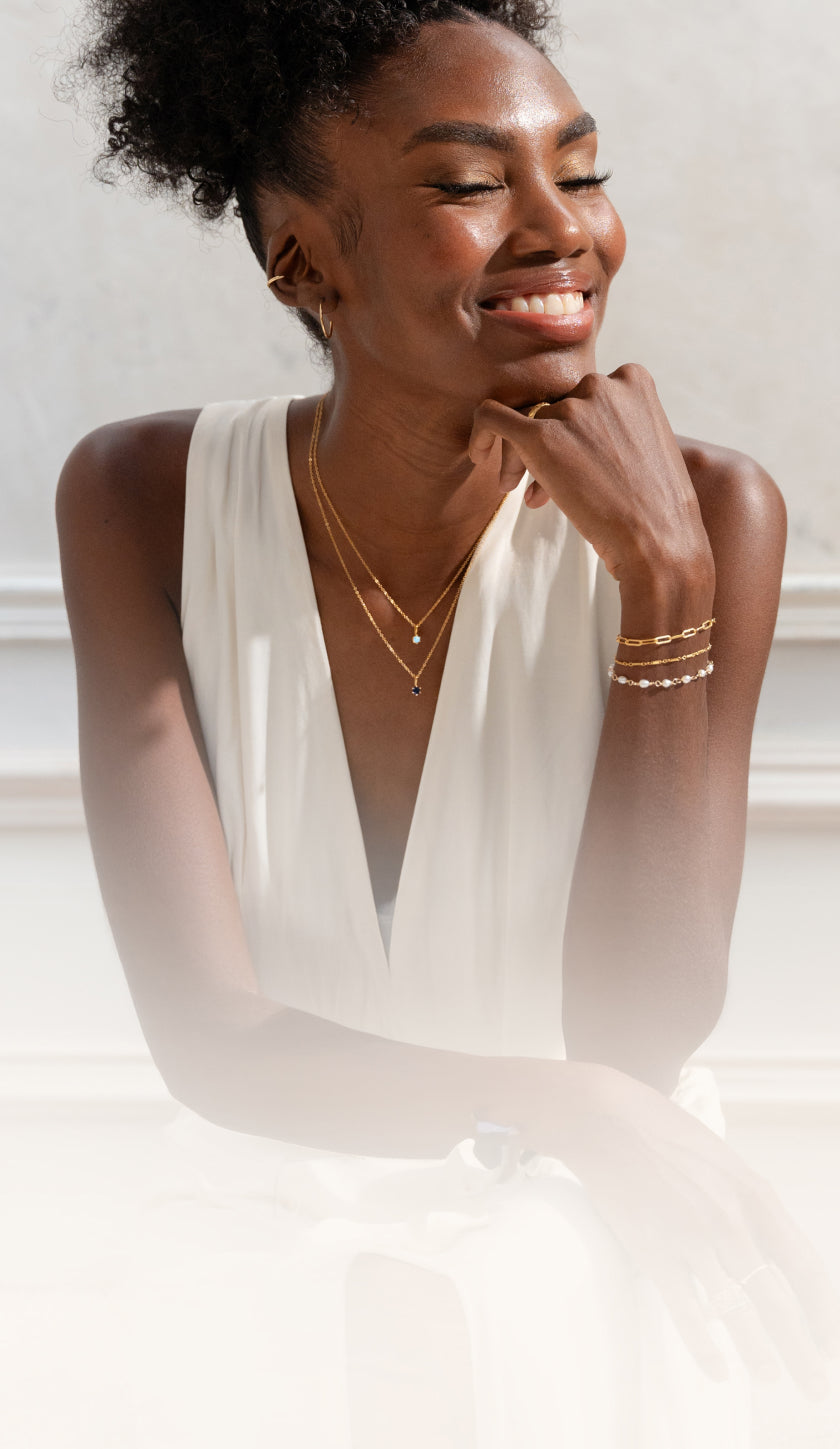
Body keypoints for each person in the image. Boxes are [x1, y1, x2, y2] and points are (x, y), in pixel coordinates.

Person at [56, 1, 838, 1445]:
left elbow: (641, 1030)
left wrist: (663, 593)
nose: (562, 230)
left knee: (526, 1283)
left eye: (583, 172)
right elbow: (211, 1041)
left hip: (595, 1207)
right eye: (472, 185)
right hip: (274, 1186)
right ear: (303, 252)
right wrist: (571, 1103)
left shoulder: (714, 516)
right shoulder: (140, 502)